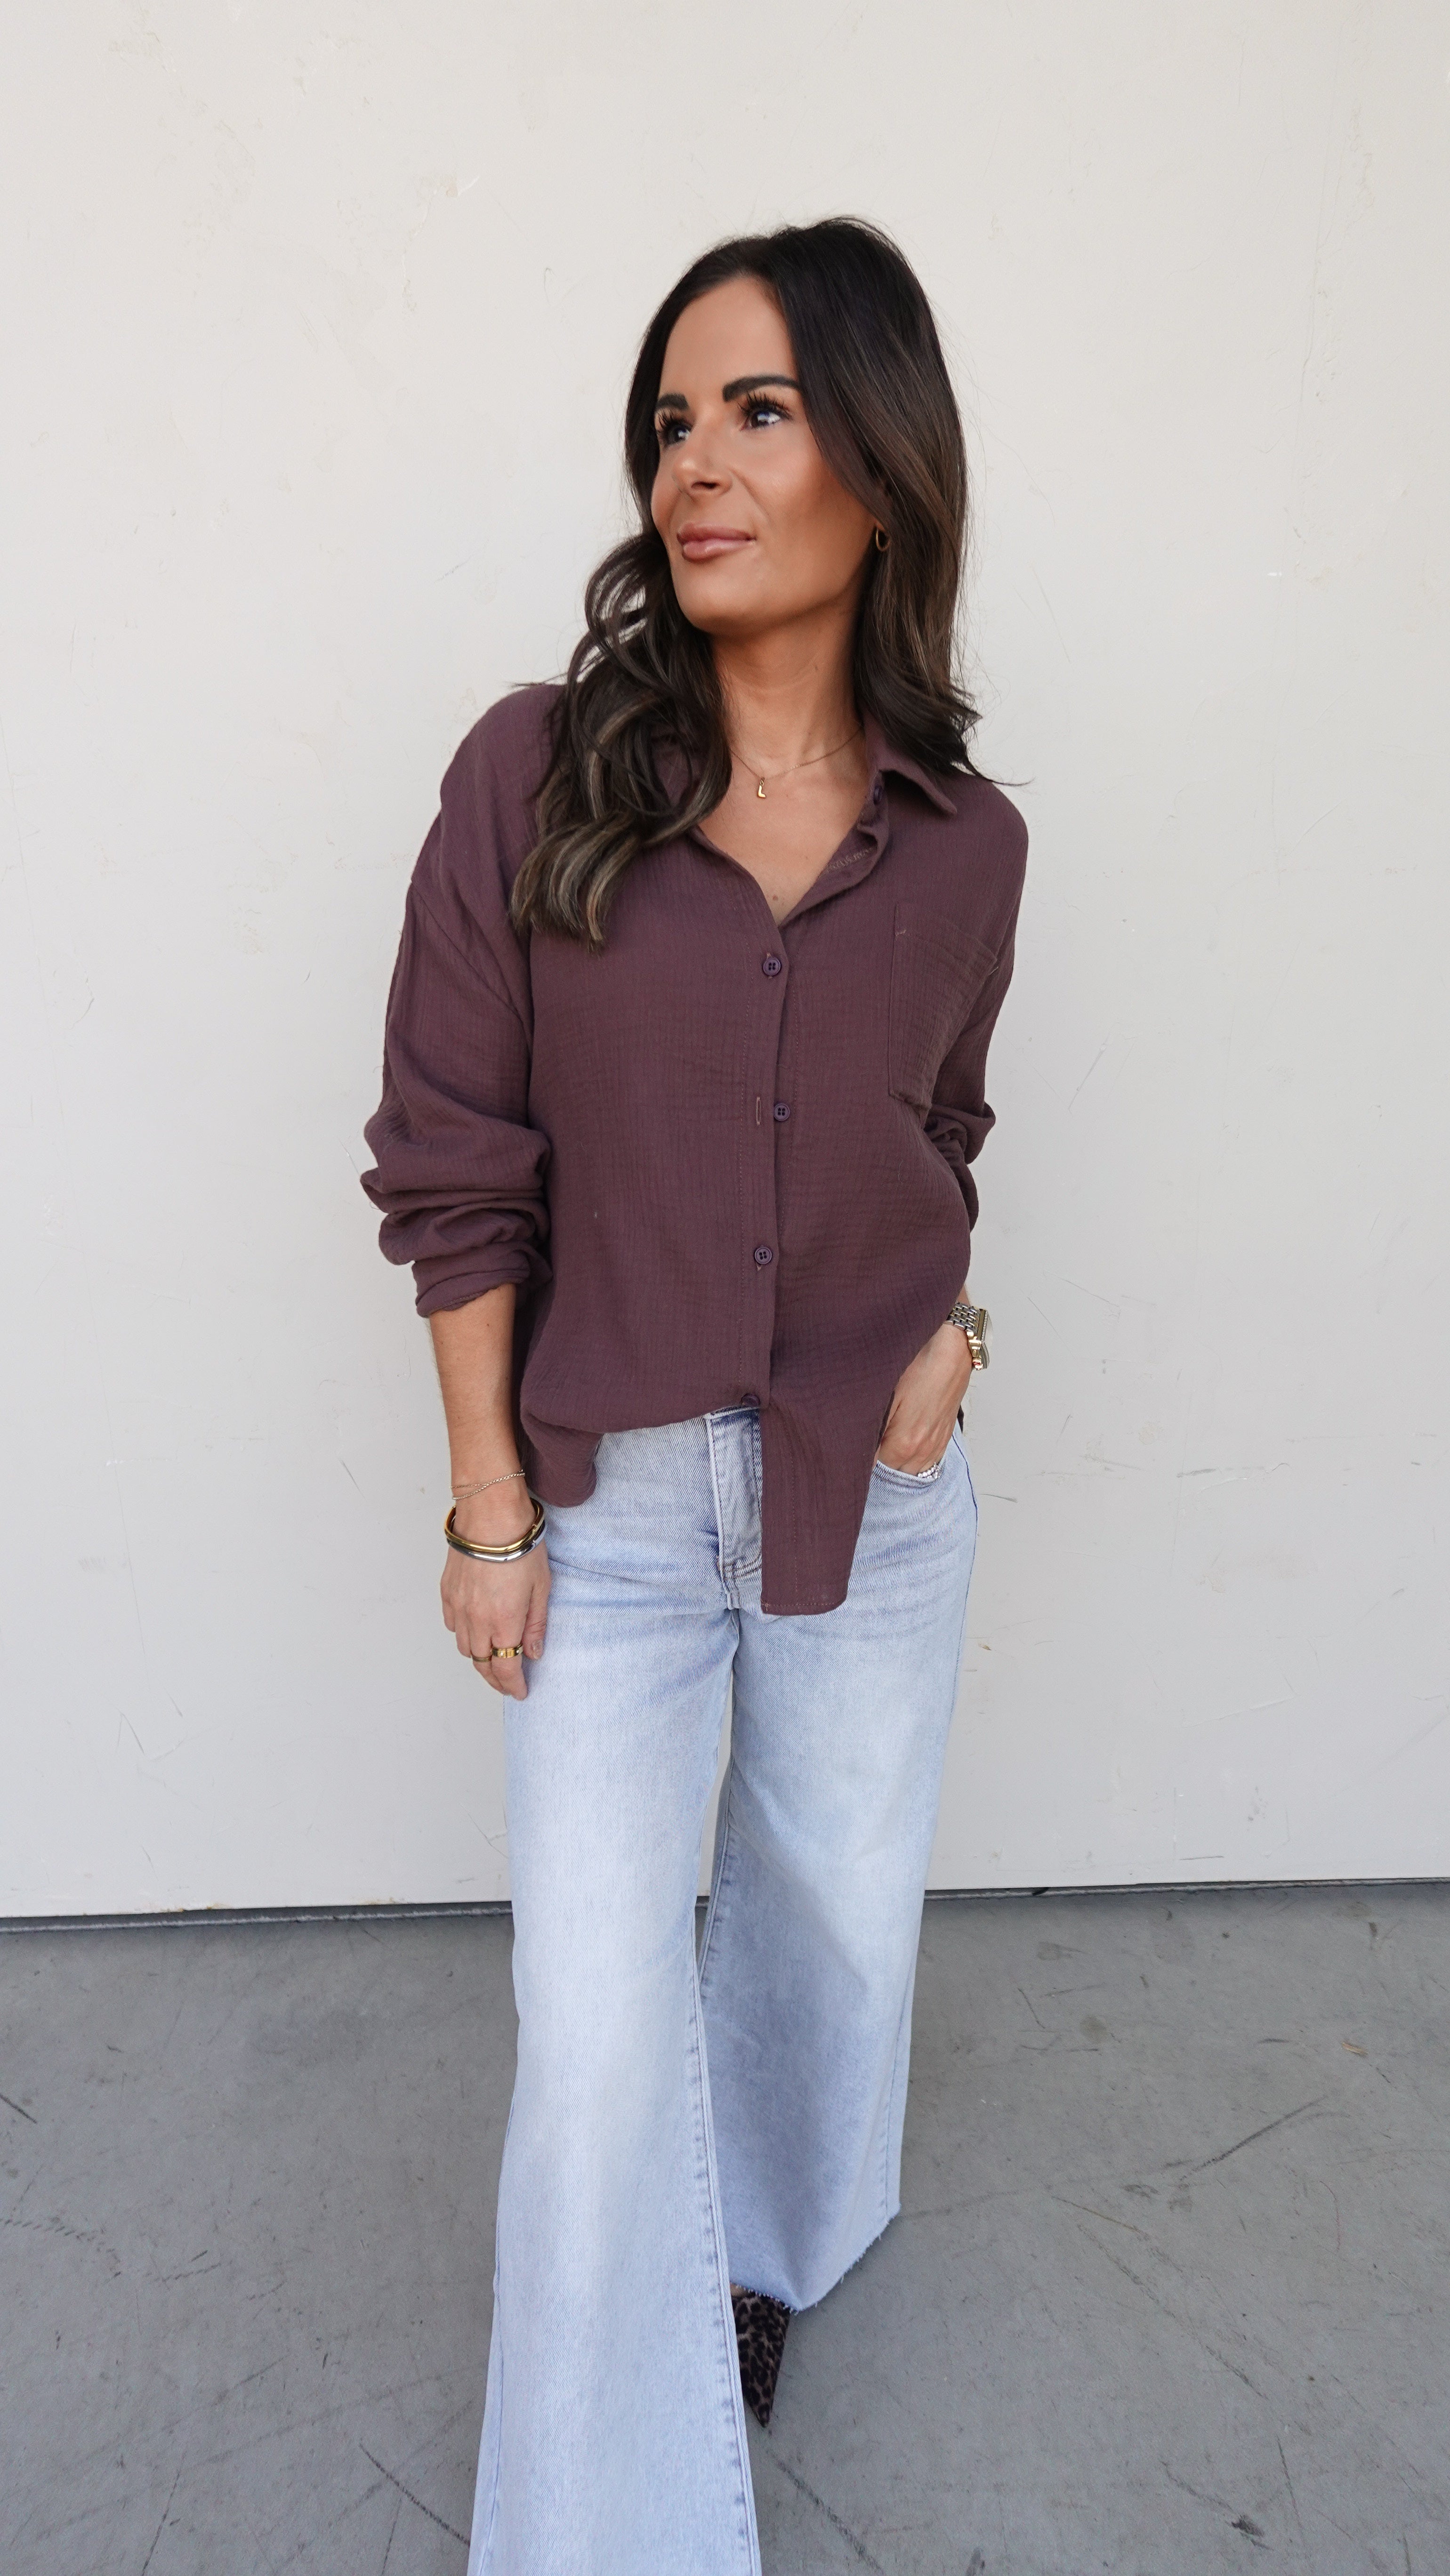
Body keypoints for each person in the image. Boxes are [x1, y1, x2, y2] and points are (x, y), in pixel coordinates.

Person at [361, 216, 1026, 2576]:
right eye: (670, 419)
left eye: (758, 410)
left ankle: (764, 2254)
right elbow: (450, 1157)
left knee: (832, 1926)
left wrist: (954, 1334)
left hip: (875, 1487)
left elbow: (933, 1131)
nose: (695, 466)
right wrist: (487, 1508)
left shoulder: (965, 844)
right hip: (610, 1511)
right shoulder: (532, 776)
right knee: (592, 2028)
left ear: (882, 460)